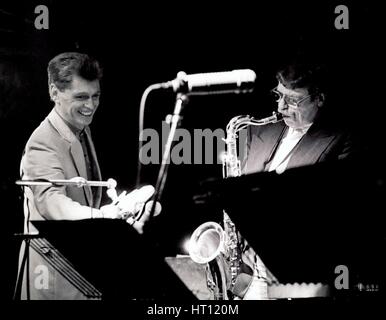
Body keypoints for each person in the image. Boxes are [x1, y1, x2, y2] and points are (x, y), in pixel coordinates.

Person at [16, 52, 161, 300]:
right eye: (81, 97)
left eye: (96, 96)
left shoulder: (81, 127)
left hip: (81, 272)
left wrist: (122, 208)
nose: (91, 105)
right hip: (54, 279)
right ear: (54, 92)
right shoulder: (42, 142)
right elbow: (52, 205)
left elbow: (82, 199)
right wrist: (104, 218)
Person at [232, 59, 356, 299]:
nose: (280, 107)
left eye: (292, 100)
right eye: (279, 95)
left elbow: (337, 213)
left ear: (320, 98)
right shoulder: (258, 131)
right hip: (248, 272)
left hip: (300, 277)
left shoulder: (344, 139)